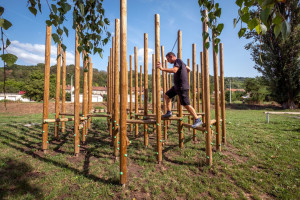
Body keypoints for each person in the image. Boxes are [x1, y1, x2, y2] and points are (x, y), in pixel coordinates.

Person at [156, 52, 202, 128]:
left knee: (186, 104)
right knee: (166, 95)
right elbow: (189, 69)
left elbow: (174, 70)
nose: (167, 61)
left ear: (171, 57)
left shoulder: (177, 60)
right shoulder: (181, 62)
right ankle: (169, 112)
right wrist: (183, 69)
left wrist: (162, 68)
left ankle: (197, 119)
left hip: (182, 87)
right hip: (176, 87)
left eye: (168, 59)